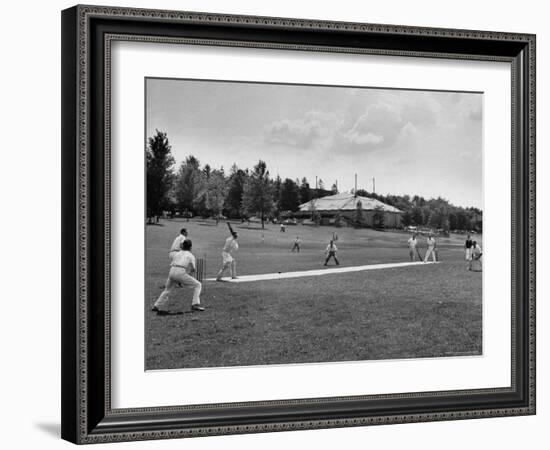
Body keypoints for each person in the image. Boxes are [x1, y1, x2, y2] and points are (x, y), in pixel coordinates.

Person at [152, 239, 204, 315]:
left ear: (183, 246)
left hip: (172, 271)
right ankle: (195, 304)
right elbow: (193, 269)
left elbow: (173, 262)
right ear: (190, 247)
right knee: (198, 285)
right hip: (180, 272)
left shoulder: (177, 253)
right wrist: (187, 275)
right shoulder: (191, 255)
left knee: (167, 289)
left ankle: (156, 305)